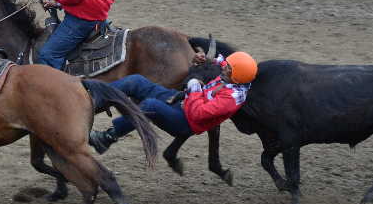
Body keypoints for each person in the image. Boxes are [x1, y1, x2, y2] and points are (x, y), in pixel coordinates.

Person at [88, 52, 258, 158]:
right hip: (182, 100)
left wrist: (194, 86)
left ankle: (108, 137)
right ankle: (91, 100)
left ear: (235, 76)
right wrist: (203, 59)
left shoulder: (231, 98)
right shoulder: (234, 75)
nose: (223, 68)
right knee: (136, 81)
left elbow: (199, 113)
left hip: (186, 121)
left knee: (150, 105)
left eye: (227, 68)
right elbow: (219, 63)